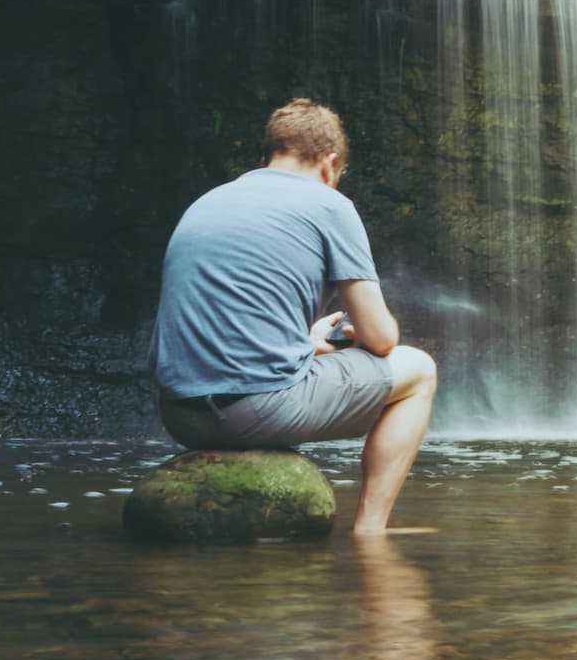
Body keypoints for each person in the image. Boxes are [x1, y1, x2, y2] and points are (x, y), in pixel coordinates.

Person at [151, 98, 436, 535]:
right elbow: (380, 339)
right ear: (330, 163)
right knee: (419, 371)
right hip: (256, 412)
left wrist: (305, 345)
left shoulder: (208, 202)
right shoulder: (328, 204)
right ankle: (370, 531)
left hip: (180, 414)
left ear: (266, 156)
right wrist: (356, 337)